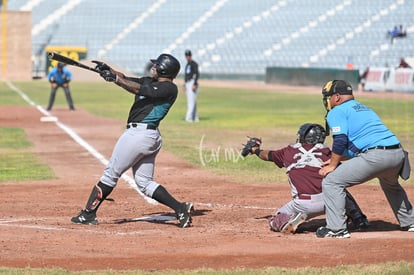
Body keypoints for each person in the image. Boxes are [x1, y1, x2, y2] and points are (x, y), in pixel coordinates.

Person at [70, 54, 194, 228]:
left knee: (111, 174)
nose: (153, 67)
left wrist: (115, 79)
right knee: (145, 183)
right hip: (146, 137)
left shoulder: (169, 88)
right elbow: (127, 79)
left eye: (156, 65)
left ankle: (88, 214)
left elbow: (138, 89)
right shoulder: (150, 81)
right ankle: (180, 208)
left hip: (139, 135)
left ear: (164, 69)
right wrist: (109, 72)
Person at [317, 80, 414, 238]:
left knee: (332, 181)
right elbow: (362, 145)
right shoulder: (363, 108)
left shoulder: (337, 111)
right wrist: (337, 158)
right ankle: (410, 222)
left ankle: (336, 230)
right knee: (391, 185)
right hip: (397, 154)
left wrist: (333, 165)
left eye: (327, 97)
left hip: (376, 157)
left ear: (337, 97)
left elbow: (340, 140)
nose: (327, 101)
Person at [243, 123, 368, 234]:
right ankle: (359, 219)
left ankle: (287, 220)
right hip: (330, 201)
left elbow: (267, 155)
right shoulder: (327, 153)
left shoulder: (289, 151)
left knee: (275, 219)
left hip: (303, 204)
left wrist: (255, 149)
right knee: (339, 189)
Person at [183, 49, 200, 122]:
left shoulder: (194, 64)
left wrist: (195, 83)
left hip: (192, 83)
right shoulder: (187, 65)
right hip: (188, 83)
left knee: (191, 101)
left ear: (191, 56)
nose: (187, 57)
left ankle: (188, 118)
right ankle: (195, 118)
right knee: (192, 101)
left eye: (188, 55)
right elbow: (186, 76)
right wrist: (184, 85)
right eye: (186, 56)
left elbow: (197, 74)